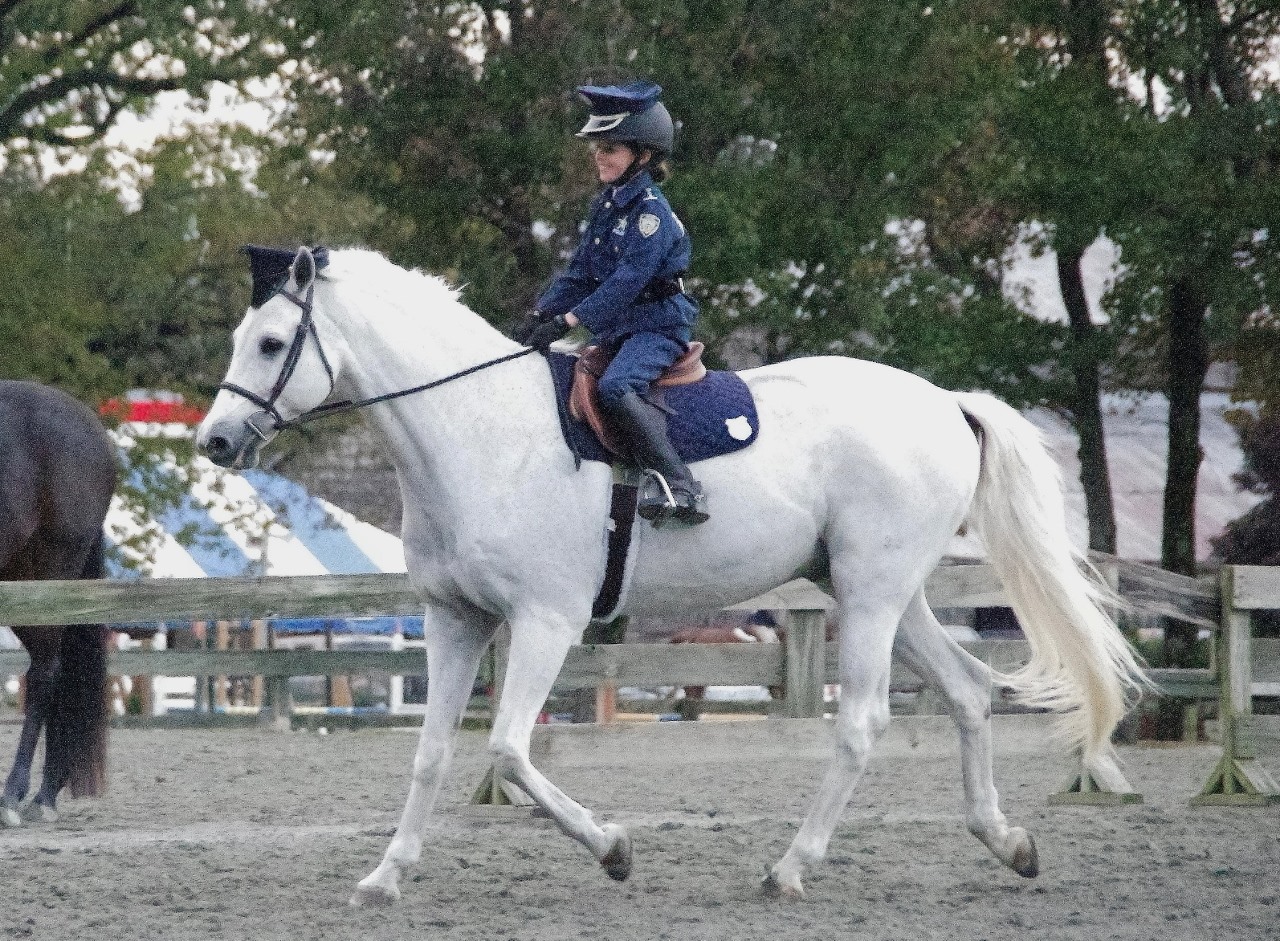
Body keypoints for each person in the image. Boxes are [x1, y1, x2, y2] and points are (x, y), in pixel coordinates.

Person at [514, 80, 708, 526]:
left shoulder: (649, 215)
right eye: (598, 148)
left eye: (612, 149)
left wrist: (567, 321)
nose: (600, 156)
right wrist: (538, 314)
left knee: (615, 387)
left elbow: (625, 283)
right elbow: (581, 272)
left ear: (642, 157)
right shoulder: (607, 207)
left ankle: (680, 483)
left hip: (658, 327)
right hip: (620, 330)